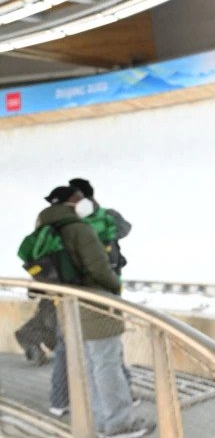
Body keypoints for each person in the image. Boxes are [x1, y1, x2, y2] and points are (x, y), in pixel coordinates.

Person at [38, 186, 149, 438]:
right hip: (94, 306)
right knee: (106, 364)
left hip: (68, 307)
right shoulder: (78, 229)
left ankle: (101, 422)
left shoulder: (47, 228)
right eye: (78, 198)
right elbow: (99, 268)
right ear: (70, 202)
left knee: (91, 365)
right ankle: (118, 425)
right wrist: (114, 290)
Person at [68, 177, 132, 275]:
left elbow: (125, 228)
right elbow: (125, 228)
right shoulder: (107, 214)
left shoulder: (107, 214)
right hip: (105, 268)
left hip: (104, 268)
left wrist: (99, 236)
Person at [13, 296, 57, 366]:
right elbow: (31, 295)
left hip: (56, 336)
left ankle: (39, 354)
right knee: (21, 334)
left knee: (24, 333)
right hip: (48, 328)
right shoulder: (45, 304)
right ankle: (38, 354)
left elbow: (49, 324)